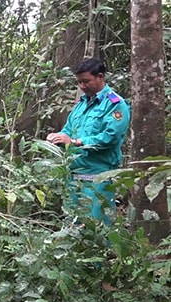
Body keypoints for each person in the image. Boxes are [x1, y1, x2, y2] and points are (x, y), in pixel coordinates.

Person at [46, 58, 131, 224]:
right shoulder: (82, 104)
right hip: (73, 175)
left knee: (97, 226)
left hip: (97, 176)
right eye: (79, 82)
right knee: (72, 224)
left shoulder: (115, 104)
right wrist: (57, 137)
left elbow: (110, 137)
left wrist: (76, 141)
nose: (82, 86)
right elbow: (68, 129)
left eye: (86, 81)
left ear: (100, 77)